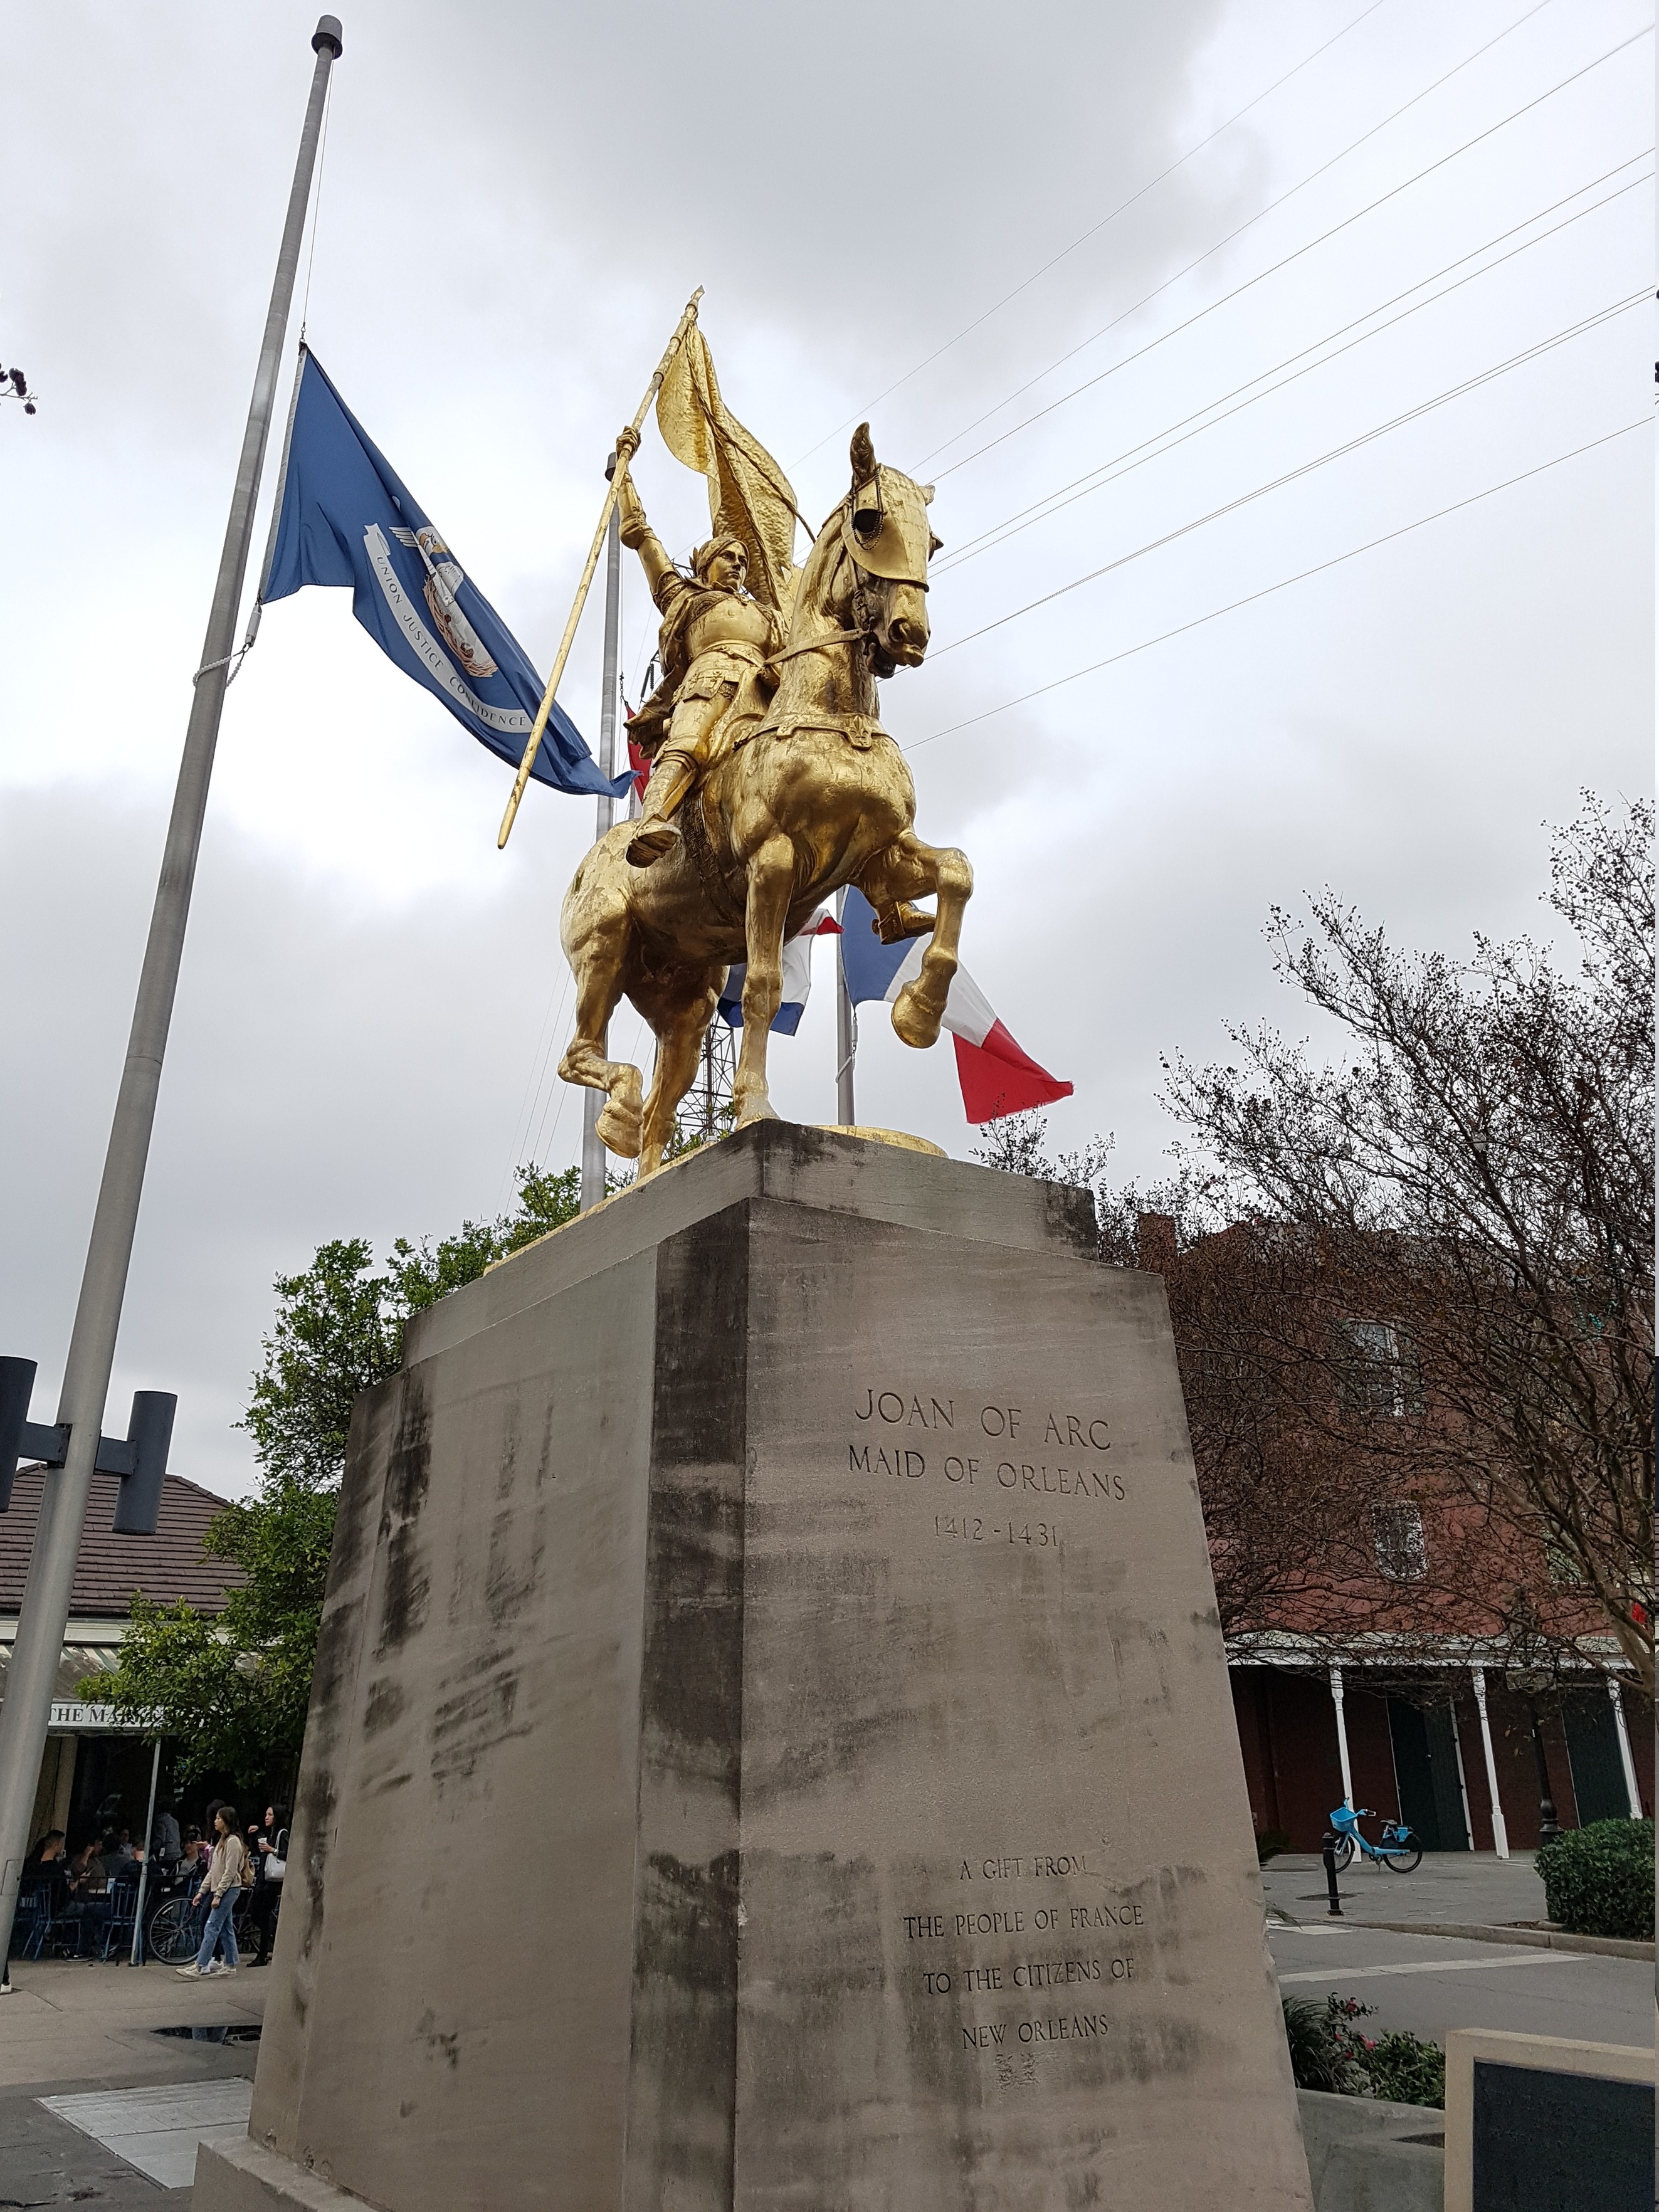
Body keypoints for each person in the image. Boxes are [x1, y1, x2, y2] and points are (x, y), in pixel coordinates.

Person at [613, 434, 786, 868]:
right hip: (710, 682)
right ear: (704, 563)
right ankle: (653, 817)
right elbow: (642, 538)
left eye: (743, 561)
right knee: (690, 743)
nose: (737, 565)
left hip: (767, 692)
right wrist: (622, 479)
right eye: (727, 557)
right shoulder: (685, 598)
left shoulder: (766, 614)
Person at [176, 1807, 248, 1979]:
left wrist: (218, 1895)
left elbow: (230, 1872)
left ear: (226, 1821)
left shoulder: (233, 1842)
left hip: (229, 1889)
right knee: (225, 1927)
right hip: (220, 1888)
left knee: (212, 1926)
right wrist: (202, 1892)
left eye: (218, 1818)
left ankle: (200, 1965)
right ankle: (230, 1964)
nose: (215, 1821)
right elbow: (213, 1870)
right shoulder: (222, 1841)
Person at [244, 1804, 289, 1967]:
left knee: (262, 1914)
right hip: (263, 1880)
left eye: (270, 1815)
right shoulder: (269, 1834)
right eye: (266, 1814)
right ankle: (269, 1934)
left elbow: (288, 1854)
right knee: (257, 1914)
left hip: (272, 1883)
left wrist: (273, 1850)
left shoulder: (282, 1834)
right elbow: (257, 1851)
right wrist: (254, 1835)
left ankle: (263, 1953)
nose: (267, 1817)